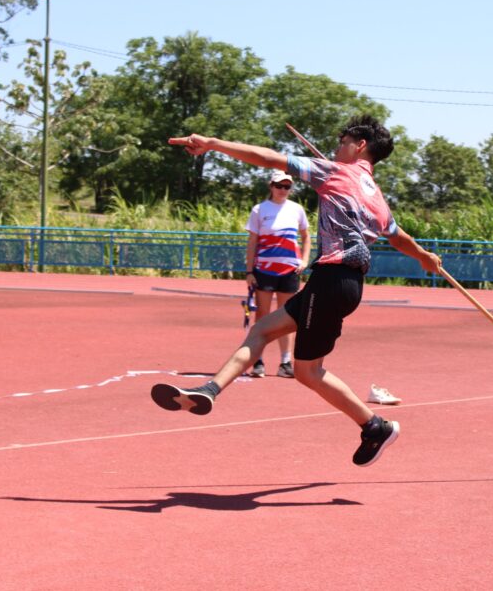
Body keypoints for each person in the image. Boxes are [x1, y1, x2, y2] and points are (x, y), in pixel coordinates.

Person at [152, 115, 442, 466]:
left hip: (331, 280)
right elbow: (398, 237)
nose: (337, 147)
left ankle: (375, 426)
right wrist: (424, 257)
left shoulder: (335, 171)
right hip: (344, 285)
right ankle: (209, 390)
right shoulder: (377, 198)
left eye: (343, 141)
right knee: (263, 330)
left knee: (309, 371)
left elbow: (268, 158)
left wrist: (214, 144)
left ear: (360, 145)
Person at [243, 171, 311, 379]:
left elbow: (306, 236)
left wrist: (304, 260)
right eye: (279, 186)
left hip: (289, 270)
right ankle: (257, 361)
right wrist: (249, 271)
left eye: (286, 186)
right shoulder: (259, 209)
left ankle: (285, 362)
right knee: (262, 315)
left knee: (286, 317)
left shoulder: (297, 209)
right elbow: (252, 242)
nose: (282, 190)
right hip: (264, 270)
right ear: (271, 186)